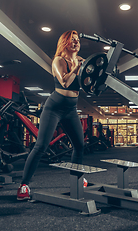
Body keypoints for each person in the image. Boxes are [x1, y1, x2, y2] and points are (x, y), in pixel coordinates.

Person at [17, 30, 85, 200]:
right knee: (41, 146)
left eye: (77, 40)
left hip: (71, 108)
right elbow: (65, 81)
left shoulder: (81, 61)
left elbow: (87, 84)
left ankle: (77, 179)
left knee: (79, 145)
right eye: (72, 40)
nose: (76, 43)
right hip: (54, 107)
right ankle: (24, 185)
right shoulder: (59, 60)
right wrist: (77, 67)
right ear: (65, 43)